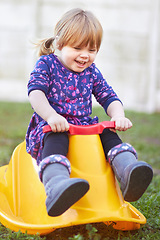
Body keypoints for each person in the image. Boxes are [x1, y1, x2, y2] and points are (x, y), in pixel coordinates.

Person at [26, 8, 153, 217]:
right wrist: (51, 116)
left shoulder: (91, 71)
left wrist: (118, 115)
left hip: (85, 126)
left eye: (92, 50)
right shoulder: (47, 64)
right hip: (53, 126)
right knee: (57, 140)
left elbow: (108, 96)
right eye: (77, 48)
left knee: (108, 135)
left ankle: (129, 170)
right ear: (59, 44)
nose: (85, 55)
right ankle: (56, 186)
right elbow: (36, 92)